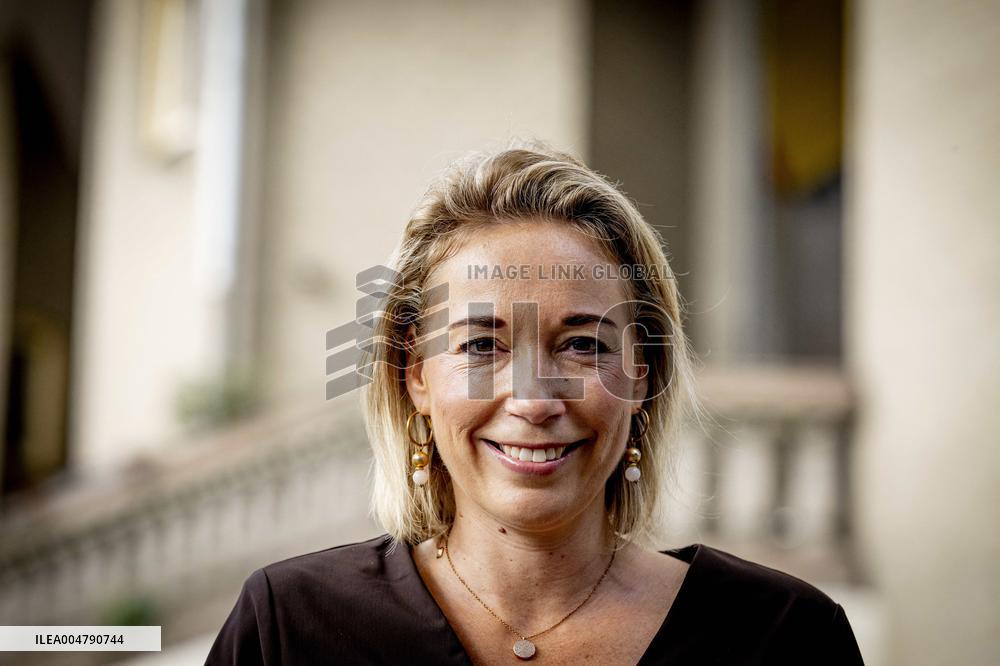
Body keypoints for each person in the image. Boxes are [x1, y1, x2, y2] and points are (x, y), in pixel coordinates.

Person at [207, 142, 865, 664]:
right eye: (480, 346)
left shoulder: (783, 637)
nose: (533, 398)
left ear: (641, 373)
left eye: (581, 344)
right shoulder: (291, 629)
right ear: (415, 375)